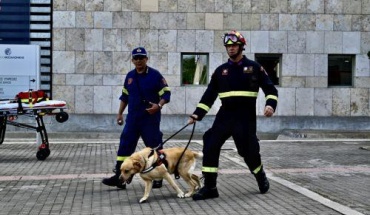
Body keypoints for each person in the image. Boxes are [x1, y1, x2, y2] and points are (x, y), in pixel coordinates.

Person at [188, 30, 278, 200]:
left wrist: (270, 105)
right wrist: (196, 115)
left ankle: (260, 176)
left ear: (242, 46)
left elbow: (270, 89)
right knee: (210, 143)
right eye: (228, 46)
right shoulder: (220, 71)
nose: (231, 48)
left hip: (245, 118)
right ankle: (210, 187)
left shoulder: (255, 68)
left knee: (249, 152)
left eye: (234, 45)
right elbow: (209, 95)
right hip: (225, 116)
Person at [102, 47, 171, 189]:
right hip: (132, 119)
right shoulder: (129, 76)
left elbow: (166, 94)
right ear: (132, 60)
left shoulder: (155, 75)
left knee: (154, 149)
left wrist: (159, 105)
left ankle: (159, 176)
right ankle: (119, 177)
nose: (139, 60)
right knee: (124, 146)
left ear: (147, 59)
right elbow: (125, 96)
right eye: (136, 58)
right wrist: (120, 113)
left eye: (141, 58)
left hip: (149, 120)